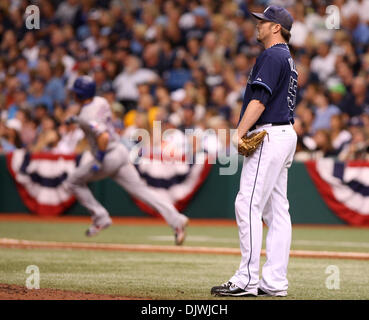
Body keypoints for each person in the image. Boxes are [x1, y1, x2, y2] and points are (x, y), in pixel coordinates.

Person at [211, 6, 298, 297]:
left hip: (270, 133)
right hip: (283, 133)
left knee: (247, 203)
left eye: (263, 21)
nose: (257, 25)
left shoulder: (273, 54)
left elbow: (260, 100)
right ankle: (274, 282)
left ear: (276, 27)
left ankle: (246, 279)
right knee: (277, 212)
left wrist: (238, 132)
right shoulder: (286, 56)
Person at [66, 76, 189, 244]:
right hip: (120, 152)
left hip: (107, 155)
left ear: (80, 94)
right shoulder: (100, 101)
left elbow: (102, 135)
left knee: (73, 181)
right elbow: (92, 122)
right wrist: (77, 119)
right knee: (142, 191)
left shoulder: (88, 114)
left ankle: (100, 217)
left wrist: (99, 160)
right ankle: (176, 220)